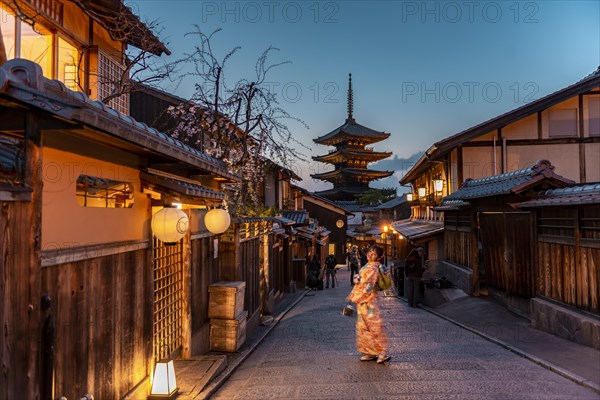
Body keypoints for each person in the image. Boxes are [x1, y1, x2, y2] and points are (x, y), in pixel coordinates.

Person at [347, 245, 391, 364]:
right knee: (362, 327)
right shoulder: (367, 266)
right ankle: (369, 351)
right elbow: (361, 278)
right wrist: (356, 278)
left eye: (374, 254)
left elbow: (368, 284)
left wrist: (356, 294)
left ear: (379, 257)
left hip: (369, 300)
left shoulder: (375, 267)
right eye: (370, 253)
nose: (370, 255)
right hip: (362, 301)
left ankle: (382, 351)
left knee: (374, 325)